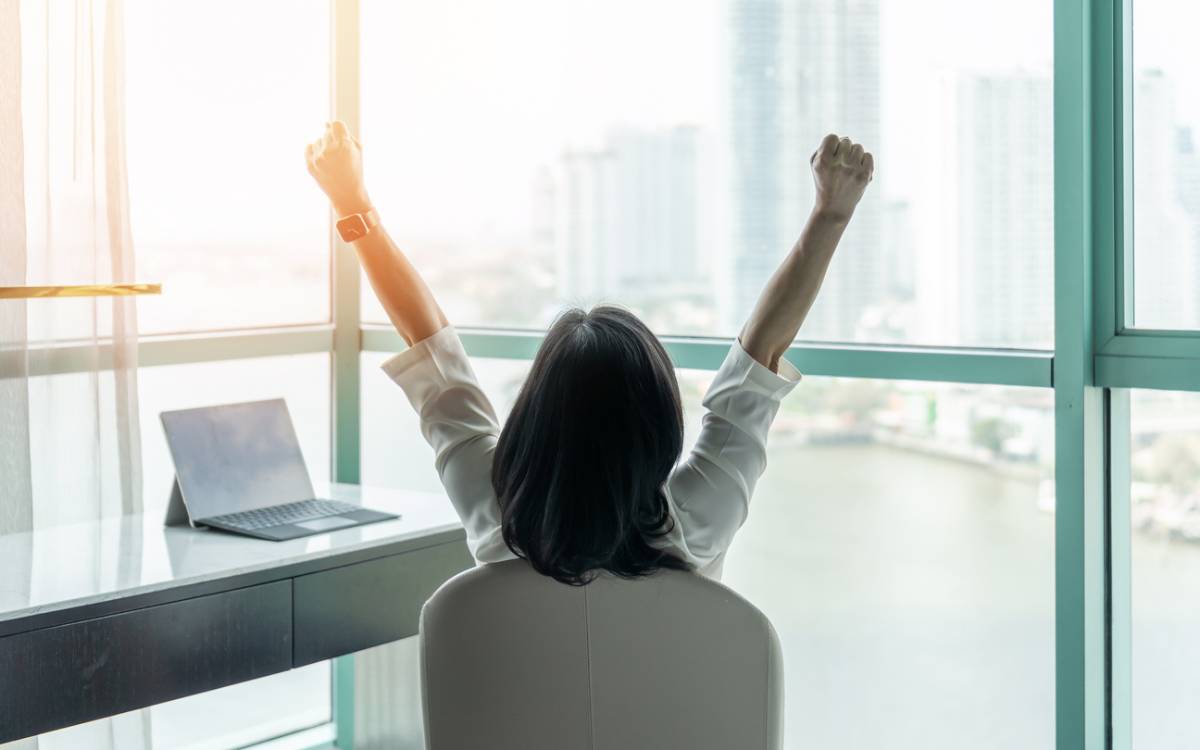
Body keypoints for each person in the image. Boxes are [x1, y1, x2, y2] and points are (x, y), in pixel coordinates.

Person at [306, 122, 873, 584]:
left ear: (534, 413)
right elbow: (758, 358)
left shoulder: (492, 506)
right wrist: (831, 215)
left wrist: (351, 201)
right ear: (657, 426)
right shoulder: (699, 520)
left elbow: (427, 343)